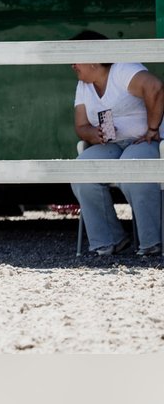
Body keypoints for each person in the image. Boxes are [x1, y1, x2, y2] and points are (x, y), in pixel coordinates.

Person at [69, 30, 164, 256]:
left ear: (93, 59)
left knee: (134, 169)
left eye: (75, 58)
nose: (72, 65)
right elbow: (81, 126)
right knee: (81, 170)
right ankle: (109, 241)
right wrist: (94, 134)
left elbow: (156, 88)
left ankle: (152, 243)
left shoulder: (122, 69)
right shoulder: (84, 85)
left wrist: (152, 129)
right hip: (110, 144)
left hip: (145, 141)